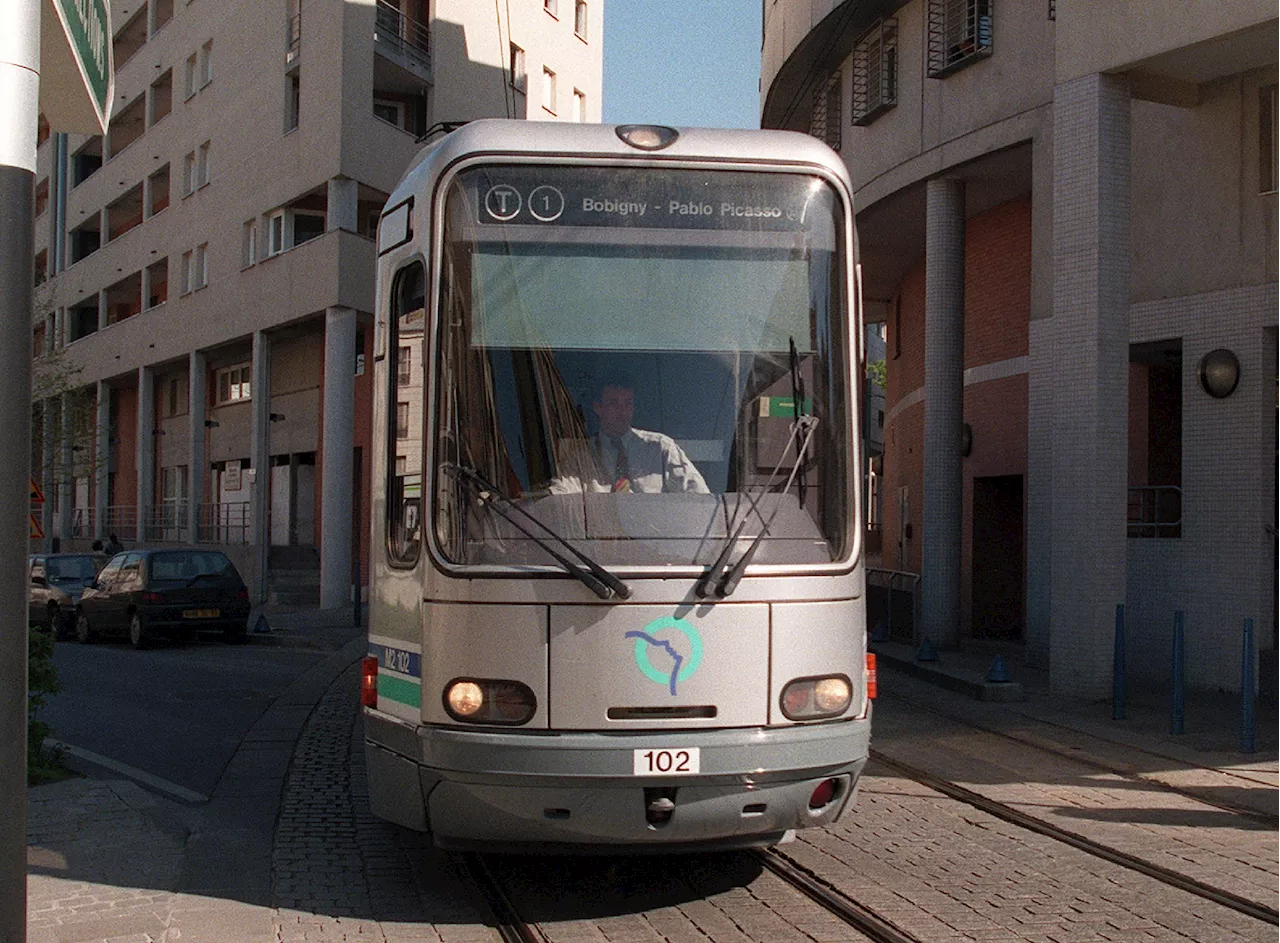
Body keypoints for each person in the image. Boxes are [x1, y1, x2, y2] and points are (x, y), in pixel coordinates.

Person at [551, 374, 709, 495]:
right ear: (597, 407)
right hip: (599, 536)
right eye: (614, 403)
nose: (622, 411)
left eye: (628, 403)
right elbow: (561, 496)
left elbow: (698, 497)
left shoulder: (660, 448)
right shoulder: (580, 458)